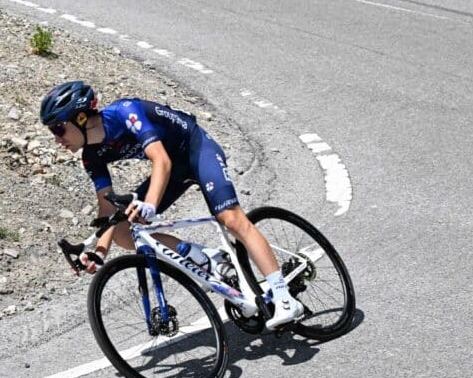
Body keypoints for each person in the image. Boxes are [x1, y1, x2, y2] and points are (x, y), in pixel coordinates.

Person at [40, 80, 303, 329]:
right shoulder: (91, 156)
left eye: (58, 129)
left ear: (81, 118)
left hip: (196, 149)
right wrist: (99, 253)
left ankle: (284, 298)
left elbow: (161, 160)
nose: (56, 139)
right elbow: (107, 209)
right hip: (174, 170)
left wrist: (151, 204)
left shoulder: (125, 112)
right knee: (123, 232)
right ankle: (206, 258)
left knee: (231, 219)